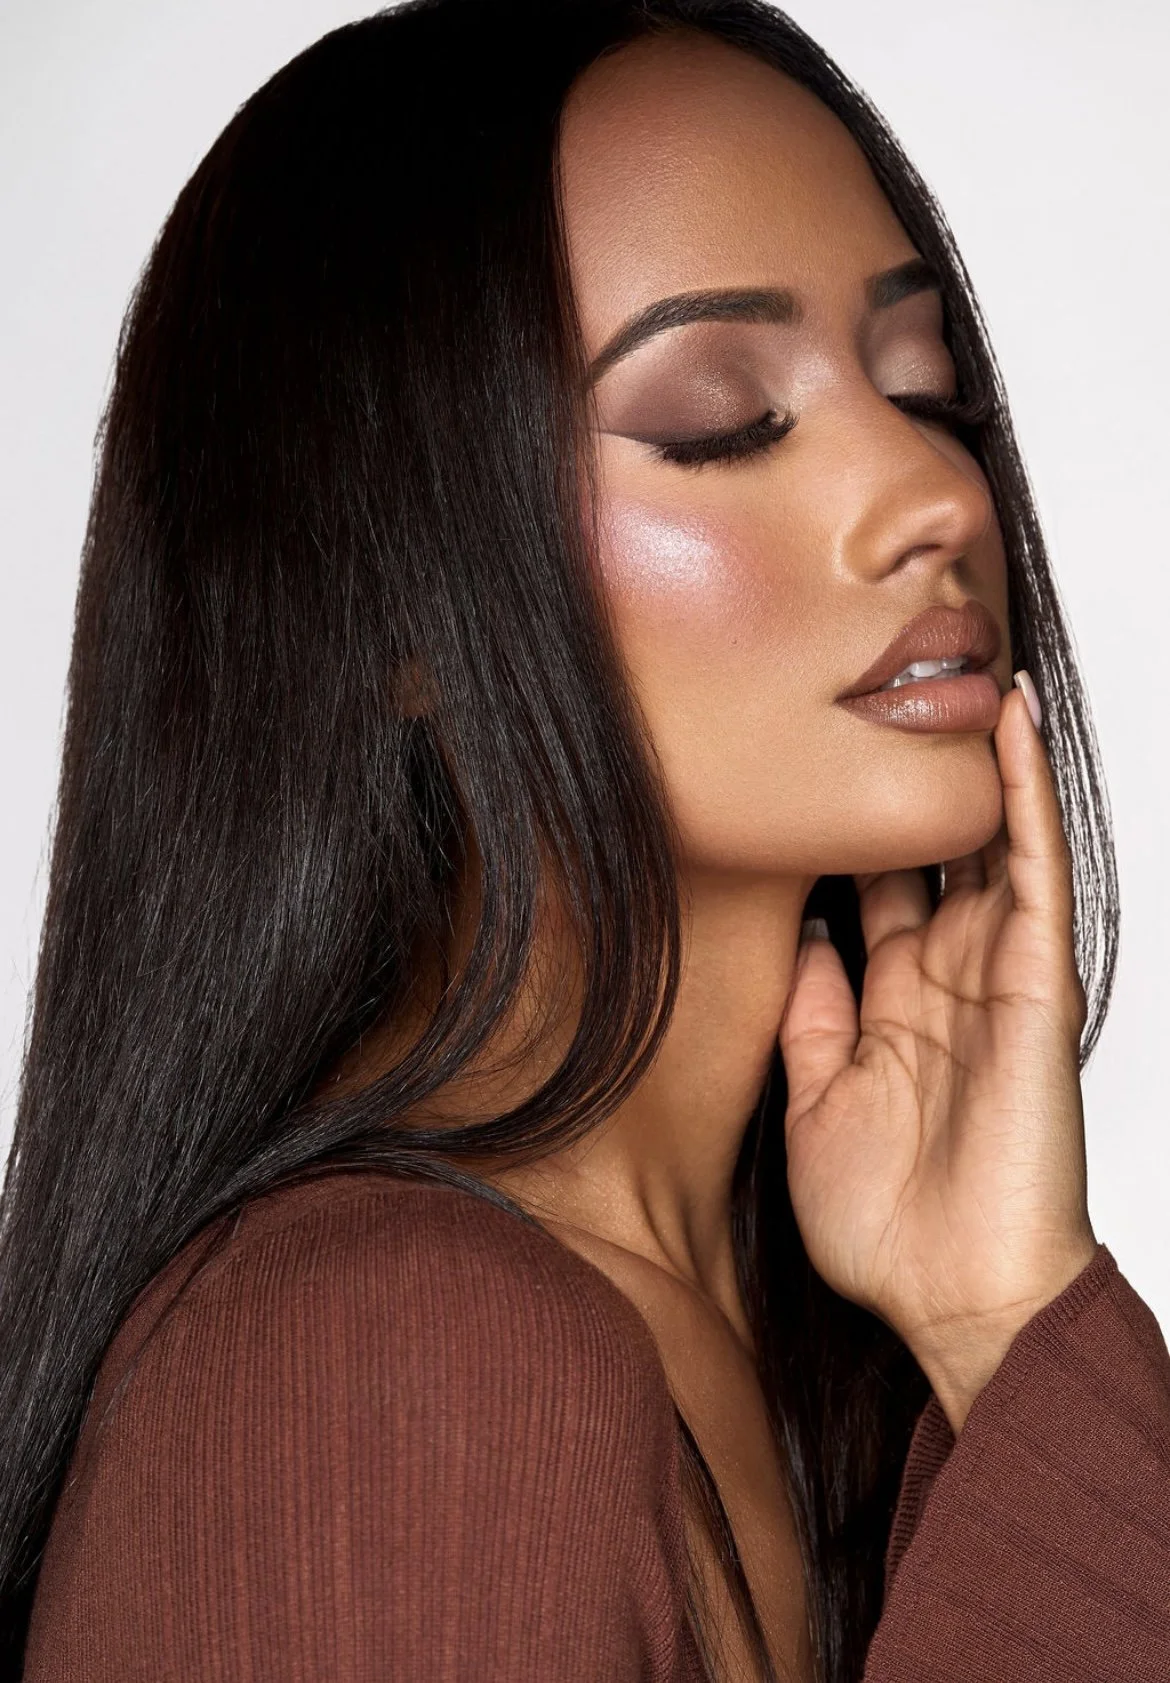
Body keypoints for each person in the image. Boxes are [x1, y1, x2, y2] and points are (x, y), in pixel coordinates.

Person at [1, 1, 1167, 1678]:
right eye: (720, 420)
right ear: (394, 605)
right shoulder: (390, 1366)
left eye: (926, 391)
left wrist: (1004, 1324)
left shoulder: (821, 1358)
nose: (938, 496)